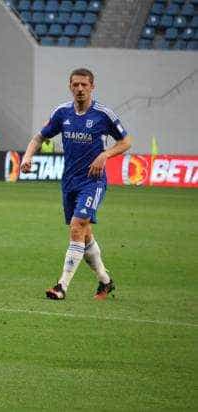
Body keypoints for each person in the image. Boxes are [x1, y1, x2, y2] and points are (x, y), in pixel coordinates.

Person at [20, 68, 132, 301]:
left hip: (93, 182)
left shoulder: (103, 114)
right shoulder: (62, 113)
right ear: (70, 86)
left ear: (92, 86)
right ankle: (105, 280)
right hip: (69, 182)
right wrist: (28, 157)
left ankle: (62, 286)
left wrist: (104, 156)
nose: (80, 89)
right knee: (84, 233)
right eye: (76, 85)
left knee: (77, 225)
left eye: (84, 85)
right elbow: (39, 137)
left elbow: (126, 141)